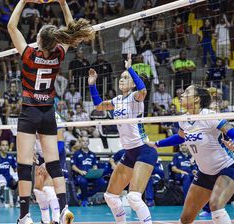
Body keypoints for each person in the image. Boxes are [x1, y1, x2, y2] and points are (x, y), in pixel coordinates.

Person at [8, 0, 95, 224]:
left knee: (24, 164)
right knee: (54, 163)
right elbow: (72, 29)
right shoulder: (58, 54)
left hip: (29, 110)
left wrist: (23, 1)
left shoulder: (28, 54)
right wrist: (64, 4)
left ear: (38, 40)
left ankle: (25, 216)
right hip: (48, 111)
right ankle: (64, 206)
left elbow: (11, 26)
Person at [147, 85, 234, 224]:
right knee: (186, 219)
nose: (181, 94)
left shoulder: (210, 116)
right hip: (205, 173)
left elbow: (230, 130)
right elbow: (180, 137)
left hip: (227, 168)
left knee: (216, 206)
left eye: (187, 92)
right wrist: (156, 144)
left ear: (196, 99)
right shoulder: (183, 119)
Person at [88, 53, 156, 224]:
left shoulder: (135, 97)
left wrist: (130, 69)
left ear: (132, 83)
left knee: (133, 197)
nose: (121, 80)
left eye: (125, 78)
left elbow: (143, 90)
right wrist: (92, 85)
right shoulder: (117, 100)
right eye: (120, 78)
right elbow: (98, 106)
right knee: (110, 196)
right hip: (129, 153)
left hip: (144, 150)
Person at [71, 136, 105, 206]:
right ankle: (84, 199)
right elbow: (73, 166)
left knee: (101, 181)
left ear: (88, 142)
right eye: (83, 141)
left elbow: (95, 165)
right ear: (81, 143)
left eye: (86, 141)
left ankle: (82, 196)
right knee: (83, 181)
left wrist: (94, 170)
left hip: (90, 175)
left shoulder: (92, 154)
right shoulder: (76, 153)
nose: (85, 142)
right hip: (80, 175)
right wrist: (80, 171)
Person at [0, 140, 18, 207]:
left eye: (6, 145)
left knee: (20, 179)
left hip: (8, 178)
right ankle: (0, 197)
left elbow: (15, 169)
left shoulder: (11, 157)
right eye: (3, 145)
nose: (5, 147)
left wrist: (18, 176)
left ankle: (17, 200)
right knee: (3, 181)